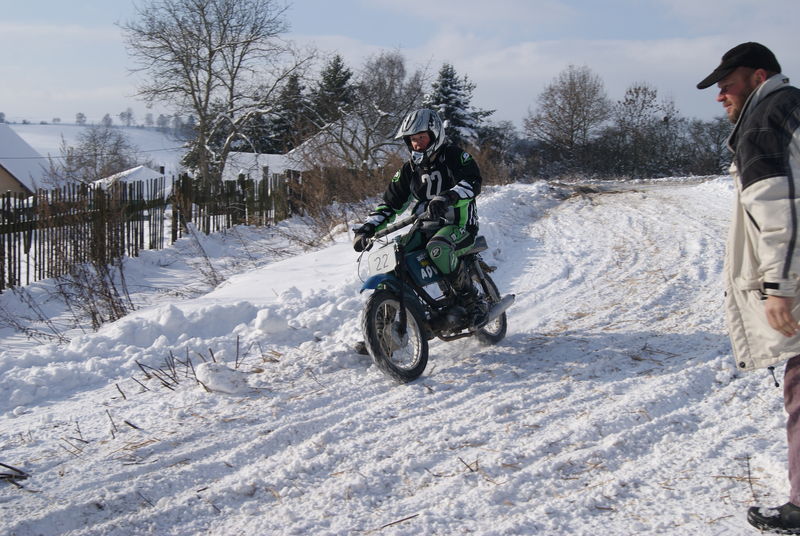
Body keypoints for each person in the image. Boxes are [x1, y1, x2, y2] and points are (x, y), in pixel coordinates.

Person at [698, 42, 800, 533]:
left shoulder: (763, 121)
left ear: (759, 77)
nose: (721, 96)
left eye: (727, 85)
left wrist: (780, 287)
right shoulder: (793, 107)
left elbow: (780, 212)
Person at [352, 108, 485, 327]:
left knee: (438, 248)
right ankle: (380, 329)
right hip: (425, 227)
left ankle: (472, 301)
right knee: (395, 255)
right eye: (412, 140)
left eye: (421, 137)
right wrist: (367, 228)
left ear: (435, 134)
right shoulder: (409, 170)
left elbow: (472, 182)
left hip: (460, 225)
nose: (417, 144)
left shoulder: (454, 156)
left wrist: (448, 197)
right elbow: (390, 204)